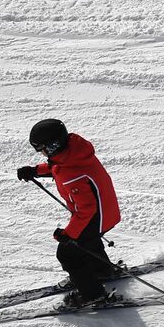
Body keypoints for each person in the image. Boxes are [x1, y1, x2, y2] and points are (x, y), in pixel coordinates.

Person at [17, 119, 122, 308]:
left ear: (52, 146)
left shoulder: (72, 175)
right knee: (88, 242)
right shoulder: (74, 152)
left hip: (96, 217)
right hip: (106, 210)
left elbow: (86, 210)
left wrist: (68, 234)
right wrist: (35, 171)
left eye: (41, 149)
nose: (41, 153)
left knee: (69, 253)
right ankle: (101, 271)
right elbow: (58, 167)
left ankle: (93, 295)